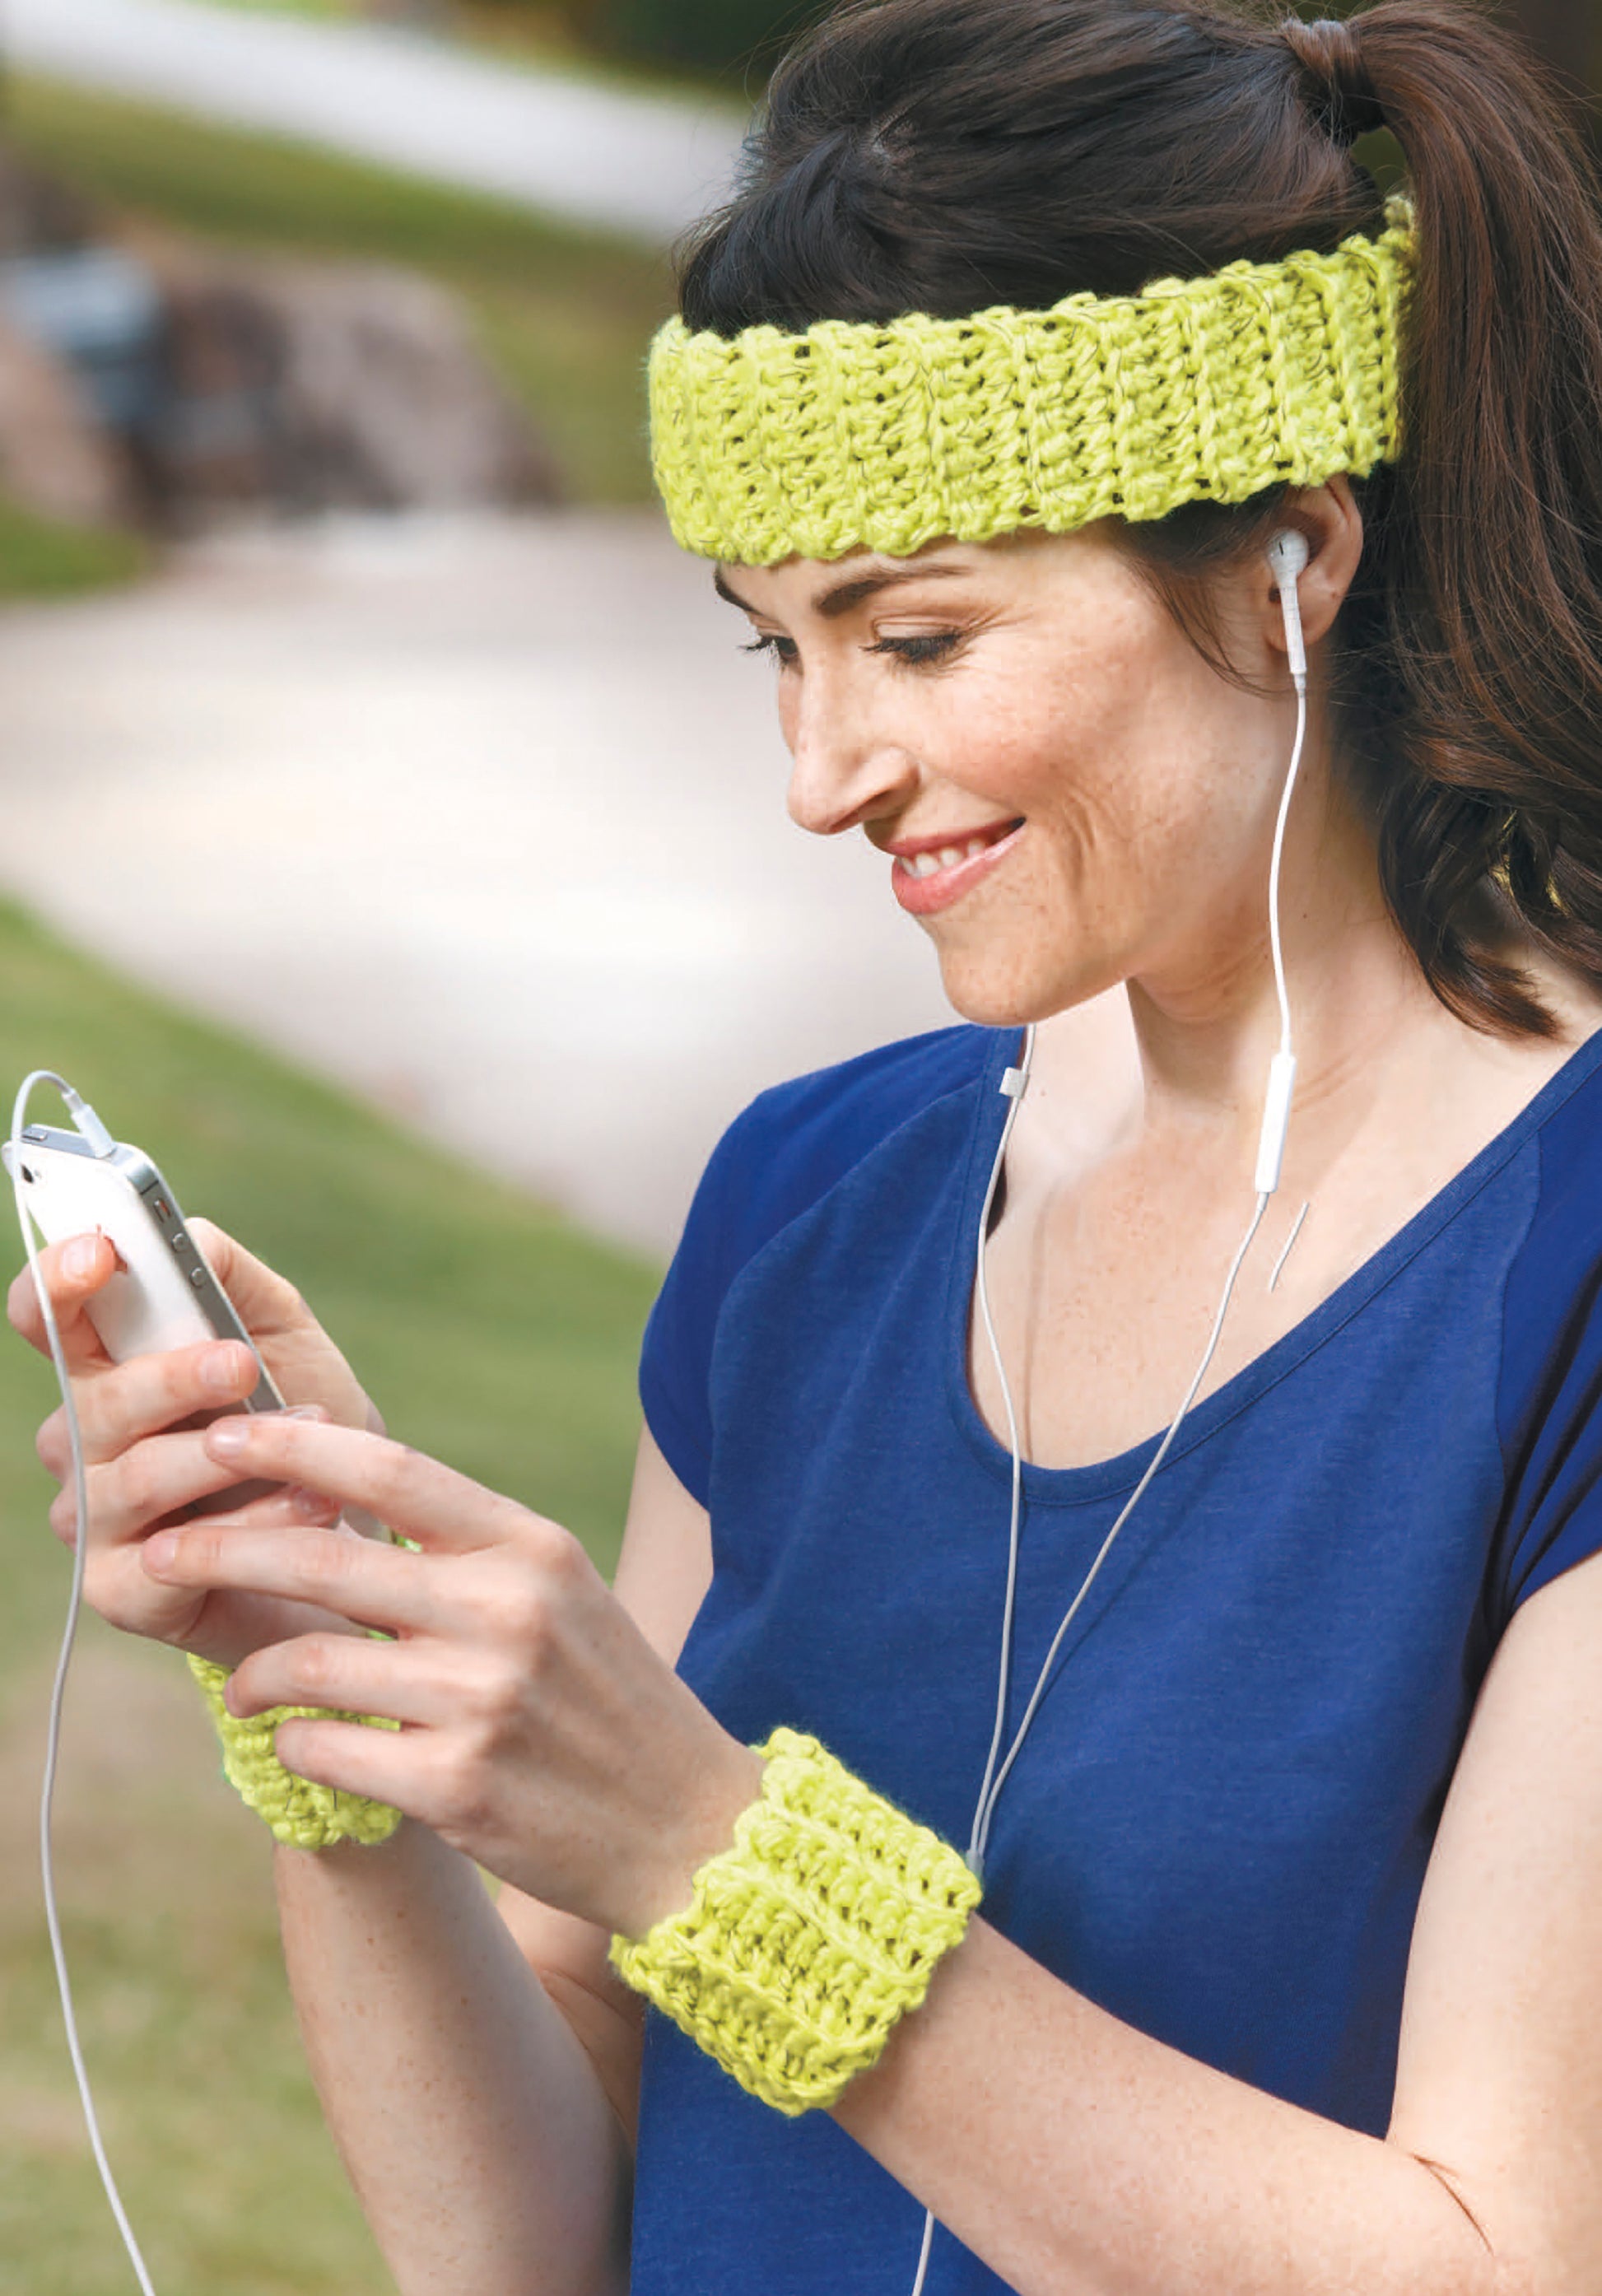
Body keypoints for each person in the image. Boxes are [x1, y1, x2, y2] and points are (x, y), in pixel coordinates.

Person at [15, 0, 1602, 2289]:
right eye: (775, 650)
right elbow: (533, 2239)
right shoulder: (808, 1207)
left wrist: (706, 1861)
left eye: (921, 636)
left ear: (1292, 557)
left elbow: (1505, 2258)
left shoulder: (1553, 1274)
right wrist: (335, 1713)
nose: (823, 772)